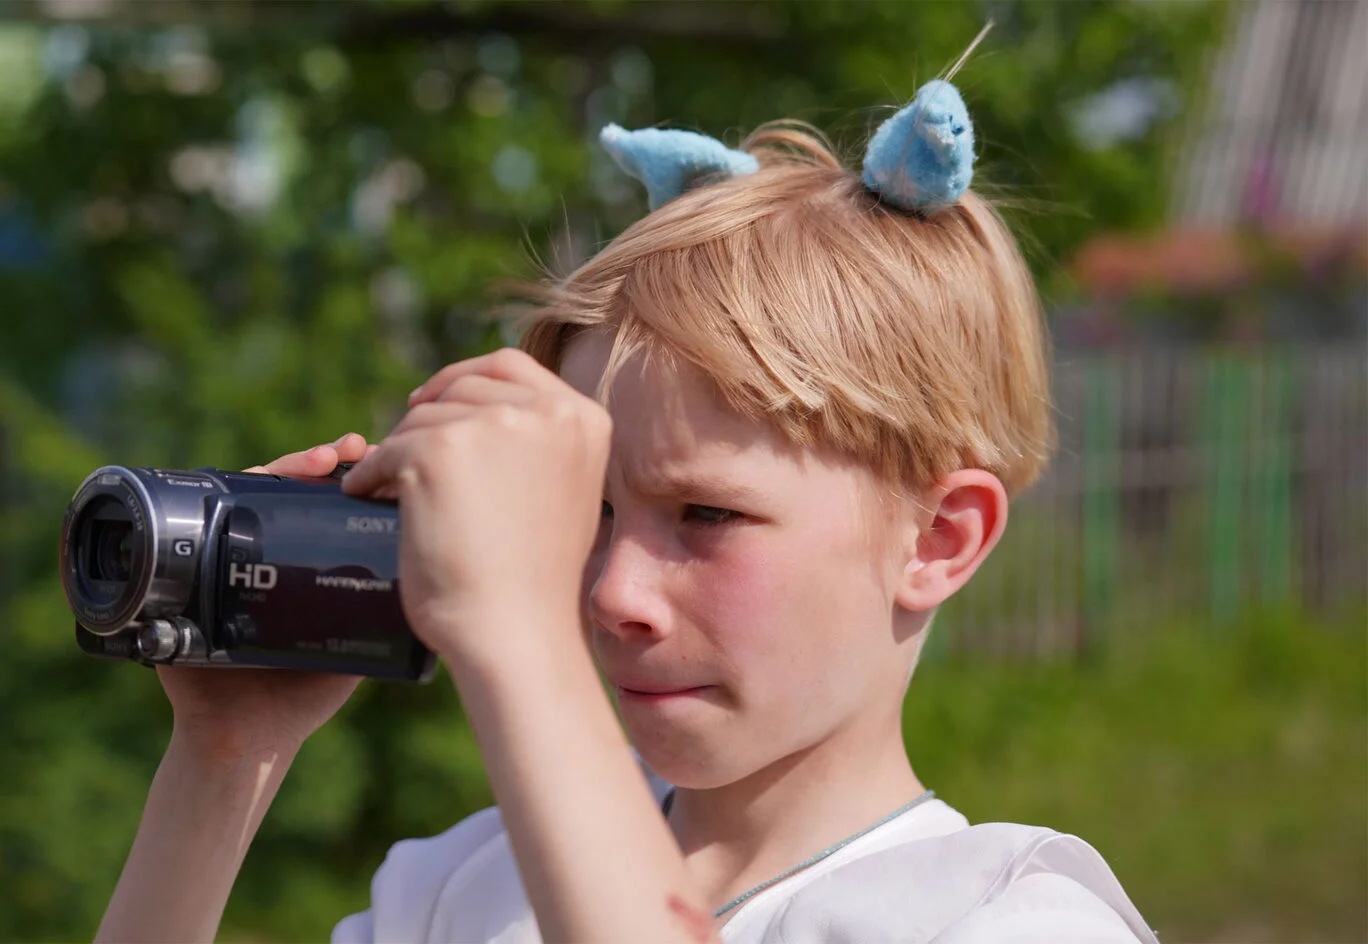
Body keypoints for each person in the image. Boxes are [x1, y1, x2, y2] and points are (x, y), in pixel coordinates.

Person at [94, 75, 1159, 944]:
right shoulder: (463, 887)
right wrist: (222, 763)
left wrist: (514, 640)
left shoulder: (1002, 916)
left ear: (940, 537)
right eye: (589, 510)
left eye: (705, 513)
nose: (612, 592)